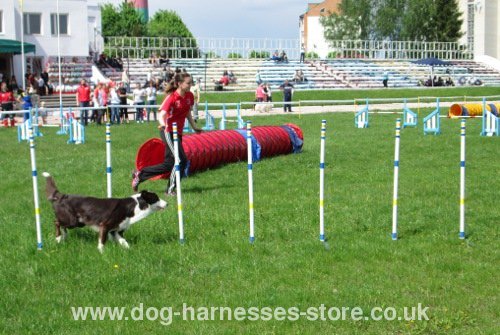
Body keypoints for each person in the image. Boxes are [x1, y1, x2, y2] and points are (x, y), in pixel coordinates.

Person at [131, 72, 202, 196]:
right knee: (181, 160)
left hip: (178, 132)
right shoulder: (172, 97)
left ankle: (140, 174)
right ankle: (170, 190)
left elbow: (187, 113)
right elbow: (162, 114)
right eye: (188, 83)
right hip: (168, 131)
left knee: (169, 164)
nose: (191, 85)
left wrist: (194, 127)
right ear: (179, 84)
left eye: (191, 82)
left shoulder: (189, 96)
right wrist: (163, 125)